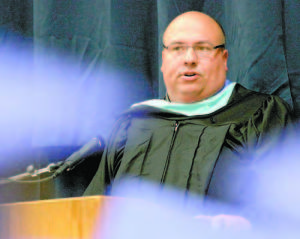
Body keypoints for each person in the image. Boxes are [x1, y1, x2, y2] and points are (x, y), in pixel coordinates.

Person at [84, 11, 293, 229]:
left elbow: (280, 212)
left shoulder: (259, 115)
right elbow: (91, 214)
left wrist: (242, 224)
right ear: (163, 61)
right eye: (177, 49)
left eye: (202, 49)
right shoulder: (132, 125)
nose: (189, 59)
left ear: (223, 59)